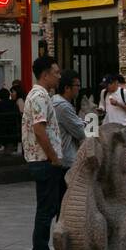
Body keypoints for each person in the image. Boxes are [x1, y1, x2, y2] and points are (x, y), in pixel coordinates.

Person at [22, 55, 62, 250]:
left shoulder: (40, 95)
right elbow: (39, 129)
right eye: (56, 73)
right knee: (46, 209)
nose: (59, 76)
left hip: (43, 159)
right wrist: (53, 157)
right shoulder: (39, 96)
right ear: (45, 74)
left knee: (49, 206)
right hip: (43, 160)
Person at [52, 73, 85, 203]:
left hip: (60, 156)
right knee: (66, 202)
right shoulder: (63, 106)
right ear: (67, 88)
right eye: (77, 85)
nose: (79, 88)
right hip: (66, 159)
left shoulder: (54, 101)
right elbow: (80, 132)